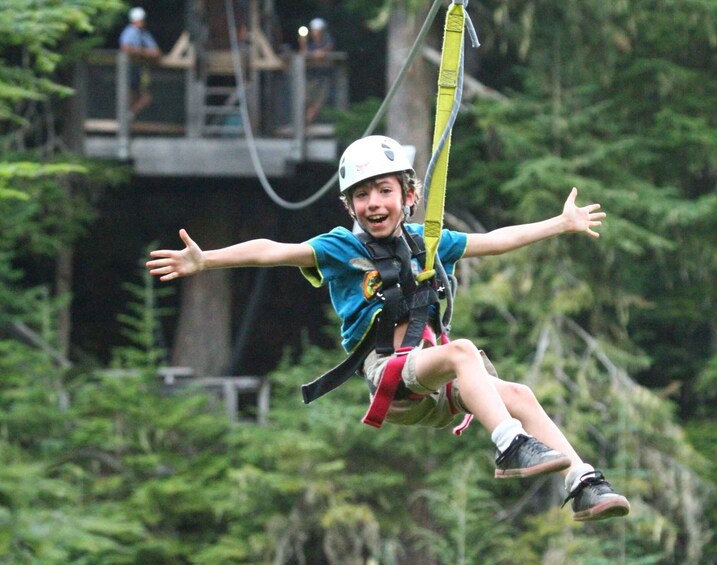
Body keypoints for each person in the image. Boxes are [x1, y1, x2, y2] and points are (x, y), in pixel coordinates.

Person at [147, 135, 631, 522]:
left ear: (409, 196)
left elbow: (497, 241)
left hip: (435, 381)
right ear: (349, 206)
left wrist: (559, 224)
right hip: (390, 375)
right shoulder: (339, 248)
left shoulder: (430, 242)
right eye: (362, 195)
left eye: (384, 191)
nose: (373, 203)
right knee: (464, 352)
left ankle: (583, 482)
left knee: (519, 393)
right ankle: (508, 445)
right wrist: (206, 259)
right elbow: (272, 249)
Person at [119, 7, 161, 119]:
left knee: (145, 97)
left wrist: (141, 52)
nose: (141, 22)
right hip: (128, 69)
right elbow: (125, 47)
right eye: (139, 20)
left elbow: (156, 52)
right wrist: (142, 52)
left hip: (139, 70)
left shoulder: (144, 34)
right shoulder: (129, 32)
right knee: (130, 95)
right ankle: (127, 118)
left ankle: (129, 115)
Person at [297, 18, 335, 124]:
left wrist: (318, 54)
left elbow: (326, 50)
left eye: (317, 30)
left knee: (320, 99)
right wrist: (302, 44)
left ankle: (310, 117)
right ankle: (307, 120)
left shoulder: (328, 41)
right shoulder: (309, 43)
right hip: (311, 76)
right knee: (307, 98)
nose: (315, 33)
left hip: (324, 76)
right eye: (314, 30)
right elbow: (304, 54)